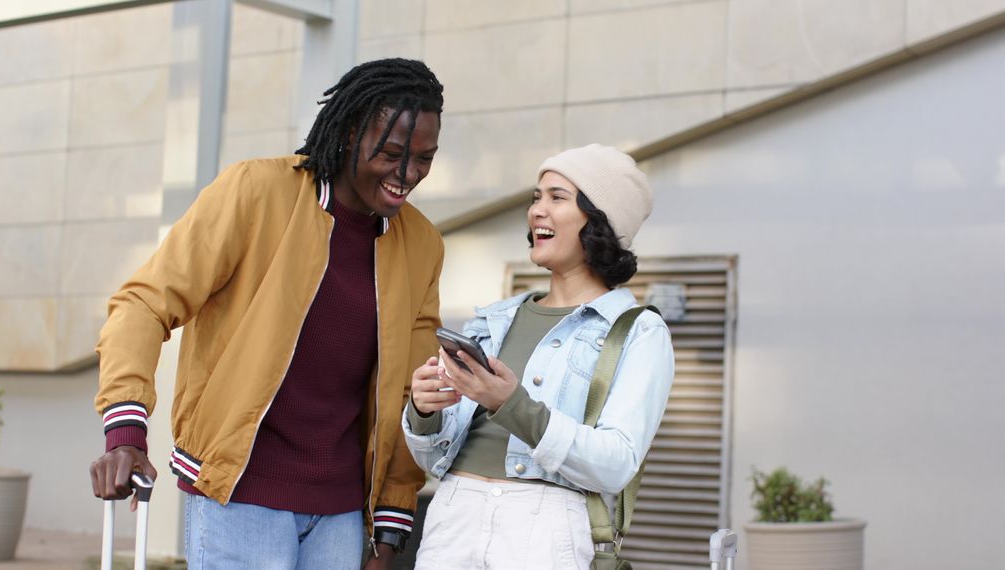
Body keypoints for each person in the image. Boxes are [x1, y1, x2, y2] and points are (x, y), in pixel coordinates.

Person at [89, 58, 446, 569]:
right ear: (348, 133)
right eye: (391, 153)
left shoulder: (422, 245)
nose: (408, 175)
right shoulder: (255, 192)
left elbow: (413, 391)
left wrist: (389, 526)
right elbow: (144, 303)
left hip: (341, 515)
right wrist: (125, 431)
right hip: (239, 494)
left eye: (424, 159)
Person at [403, 144, 675, 569]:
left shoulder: (638, 331)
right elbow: (432, 459)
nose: (536, 211)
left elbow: (616, 463)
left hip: (542, 529)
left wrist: (510, 405)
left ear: (599, 220)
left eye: (557, 197)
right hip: (452, 515)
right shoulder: (492, 320)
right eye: (536, 197)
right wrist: (423, 411)